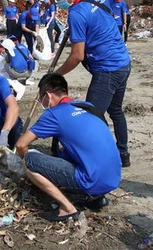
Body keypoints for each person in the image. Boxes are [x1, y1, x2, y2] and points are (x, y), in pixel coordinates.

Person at [43, 0, 132, 167]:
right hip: (124, 62)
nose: (58, 3)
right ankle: (123, 154)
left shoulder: (76, 14)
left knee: (89, 118)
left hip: (107, 69)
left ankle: (94, 160)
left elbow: (77, 56)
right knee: (115, 110)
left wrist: (55, 75)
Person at [16, 73, 121, 221]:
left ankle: (67, 208)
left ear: (48, 95)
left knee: (29, 161)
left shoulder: (54, 114)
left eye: (41, 98)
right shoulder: (87, 106)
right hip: (113, 177)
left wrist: (24, 164)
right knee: (67, 151)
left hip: (93, 180)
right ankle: (95, 198)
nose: (42, 102)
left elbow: (21, 144)